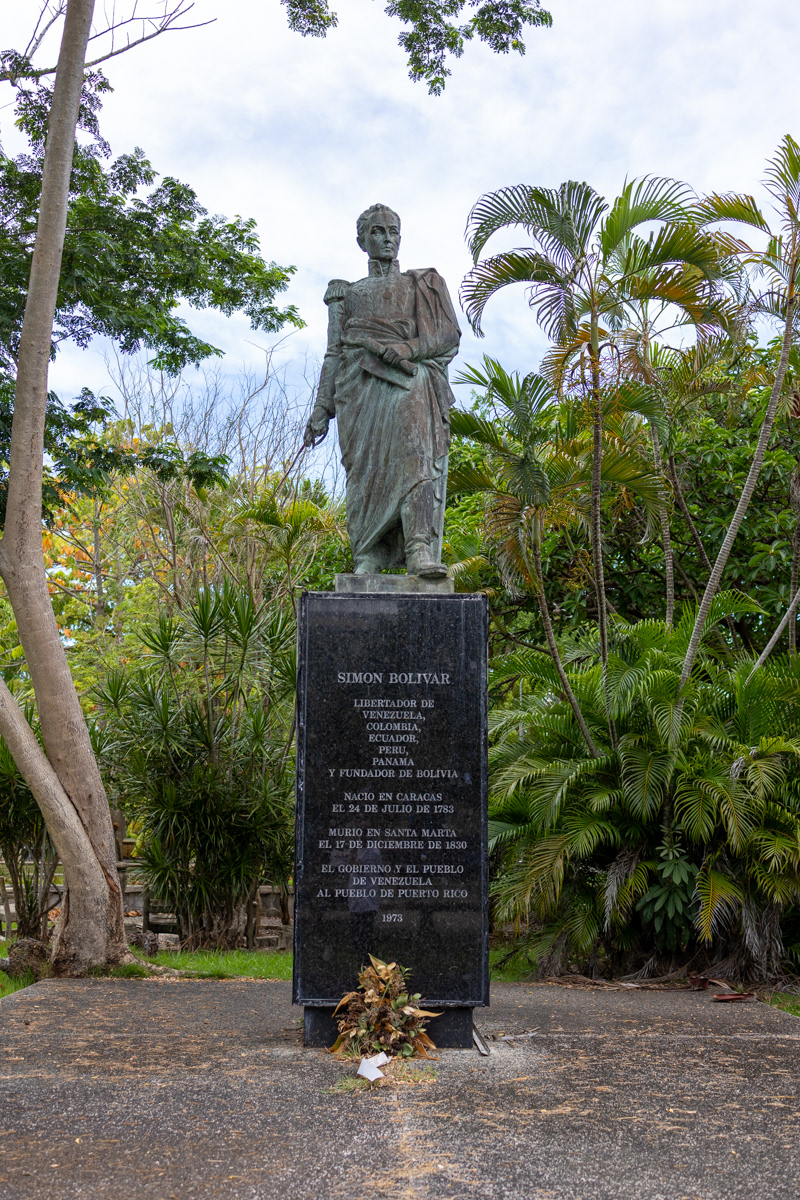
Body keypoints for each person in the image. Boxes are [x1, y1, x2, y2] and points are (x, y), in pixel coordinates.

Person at [303, 204, 461, 578]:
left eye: (393, 231)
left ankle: (419, 548)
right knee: (365, 474)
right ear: (362, 240)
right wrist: (322, 407)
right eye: (377, 231)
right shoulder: (346, 294)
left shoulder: (421, 284)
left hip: (410, 382)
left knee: (415, 458)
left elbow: (447, 336)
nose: (387, 239)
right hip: (358, 391)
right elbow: (334, 352)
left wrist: (409, 348)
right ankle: (368, 554)